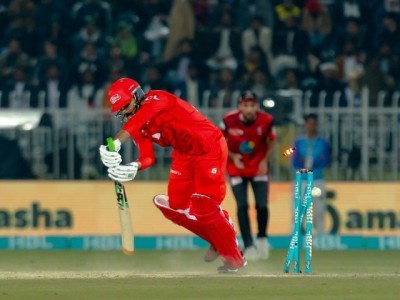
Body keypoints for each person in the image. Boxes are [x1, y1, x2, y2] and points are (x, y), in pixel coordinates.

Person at [98, 78, 246, 273]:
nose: (124, 112)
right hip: (184, 155)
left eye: (126, 106)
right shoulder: (136, 125)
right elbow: (148, 157)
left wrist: (116, 143)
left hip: (209, 147)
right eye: (120, 109)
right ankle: (220, 238)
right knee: (173, 206)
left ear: (137, 95)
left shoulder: (158, 99)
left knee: (205, 205)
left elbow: (140, 118)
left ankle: (234, 260)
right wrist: (134, 167)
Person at [220, 91, 276, 260]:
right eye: (246, 105)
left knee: (262, 205)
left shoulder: (267, 120)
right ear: (240, 107)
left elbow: (272, 140)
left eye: (252, 105)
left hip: (258, 167)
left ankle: (262, 238)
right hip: (237, 167)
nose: (249, 109)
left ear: (257, 106)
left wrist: (265, 160)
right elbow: (220, 141)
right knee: (242, 206)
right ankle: (249, 245)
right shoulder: (228, 120)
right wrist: (232, 156)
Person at [292, 113, 331, 234]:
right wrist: (304, 161)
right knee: (298, 210)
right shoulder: (297, 142)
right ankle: (295, 237)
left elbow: (326, 159)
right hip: (301, 180)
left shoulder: (322, 142)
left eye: (313, 124)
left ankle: (320, 236)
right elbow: (294, 159)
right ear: (305, 125)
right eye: (309, 124)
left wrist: (313, 162)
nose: (311, 126)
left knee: (319, 210)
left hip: (317, 180)